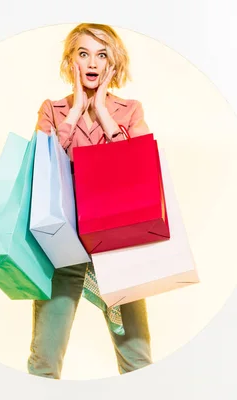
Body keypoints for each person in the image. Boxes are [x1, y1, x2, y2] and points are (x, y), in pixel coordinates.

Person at [28, 23, 153, 379]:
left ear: (114, 63)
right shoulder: (52, 110)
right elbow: (44, 171)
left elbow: (140, 171)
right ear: (71, 62)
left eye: (102, 55)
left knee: (137, 360)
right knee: (44, 362)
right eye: (83, 54)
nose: (92, 63)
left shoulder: (130, 111)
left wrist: (104, 114)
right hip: (62, 247)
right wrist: (74, 113)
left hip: (116, 248)